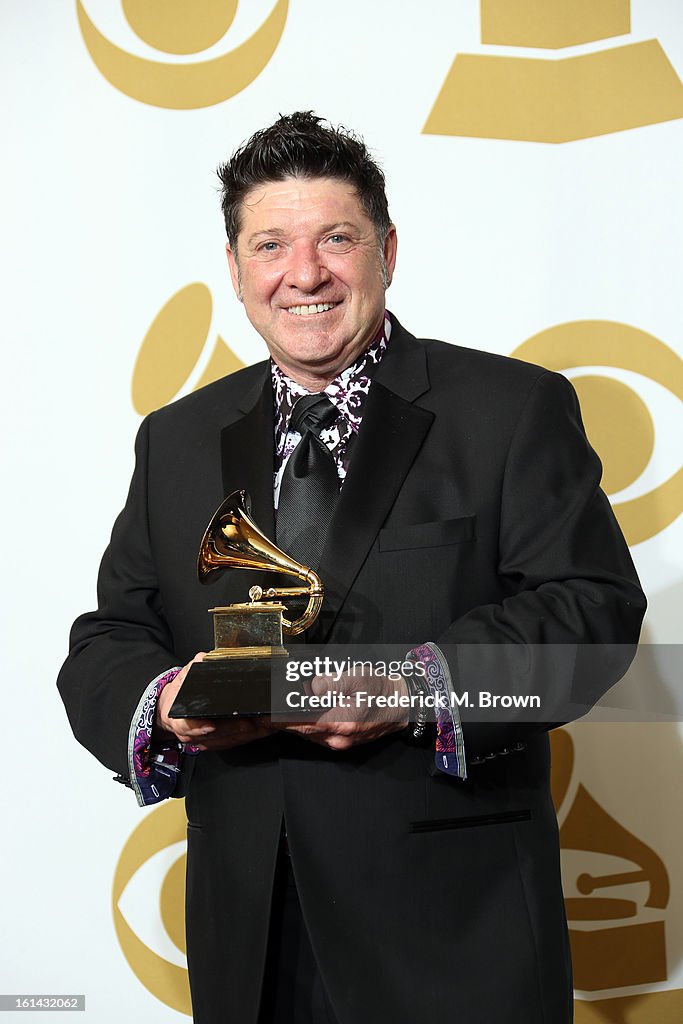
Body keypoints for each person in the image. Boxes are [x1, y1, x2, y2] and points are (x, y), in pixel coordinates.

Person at [58, 111, 646, 1024]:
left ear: (387, 251)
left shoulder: (510, 407)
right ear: (236, 270)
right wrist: (161, 701)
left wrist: (415, 687)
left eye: (337, 238)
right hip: (247, 939)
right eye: (270, 245)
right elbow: (109, 635)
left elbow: (592, 618)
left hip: (456, 936)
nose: (304, 273)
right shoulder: (174, 439)